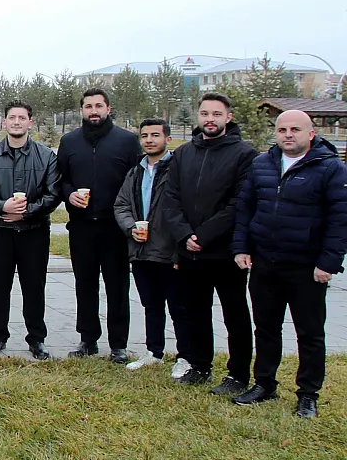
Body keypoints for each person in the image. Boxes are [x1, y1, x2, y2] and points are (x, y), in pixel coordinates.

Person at [232, 110, 347, 419]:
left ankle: (308, 395)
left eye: (295, 129)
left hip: (306, 267)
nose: (288, 134)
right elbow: (245, 207)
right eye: (282, 129)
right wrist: (241, 247)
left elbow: (340, 218)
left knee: (309, 333)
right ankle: (264, 384)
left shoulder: (330, 168)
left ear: (311, 133)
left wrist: (329, 262)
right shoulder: (262, 164)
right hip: (265, 263)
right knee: (266, 328)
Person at [161, 92, 258, 393]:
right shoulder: (183, 153)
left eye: (217, 114)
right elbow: (170, 198)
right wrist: (184, 235)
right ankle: (200, 365)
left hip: (224, 251)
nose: (210, 119)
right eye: (205, 113)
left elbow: (239, 202)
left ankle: (238, 374)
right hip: (189, 251)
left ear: (228, 117)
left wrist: (203, 235)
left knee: (235, 314)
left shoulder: (244, 154)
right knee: (195, 311)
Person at [57, 89, 141, 363]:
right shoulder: (69, 142)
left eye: (98, 106)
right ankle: (88, 339)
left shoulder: (127, 141)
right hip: (81, 227)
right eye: (88, 106)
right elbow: (61, 179)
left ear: (108, 109)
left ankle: (118, 344)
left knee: (118, 287)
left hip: (115, 229)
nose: (93, 111)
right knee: (85, 285)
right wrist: (69, 194)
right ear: (82, 110)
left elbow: (137, 182)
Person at [0, 100, 60, 361]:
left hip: (34, 231)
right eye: (12, 117)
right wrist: (3, 206)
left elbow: (53, 194)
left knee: (34, 287)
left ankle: (37, 338)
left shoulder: (46, 156)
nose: (16, 122)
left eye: (22, 118)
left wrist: (26, 211)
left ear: (30, 123)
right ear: (4, 122)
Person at [114, 118, 192, 375]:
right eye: (145, 135)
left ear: (167, 139)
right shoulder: (136, 171)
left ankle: (185, 356)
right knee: (151, 304)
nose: (149, 140)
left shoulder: (178, 169)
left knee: (179, 307)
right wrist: (130, 228)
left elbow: (186, 209)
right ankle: (154, 352)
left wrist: (180, 248)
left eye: (155, 135)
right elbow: (121, 205)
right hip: (142, 251)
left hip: (170, 251)